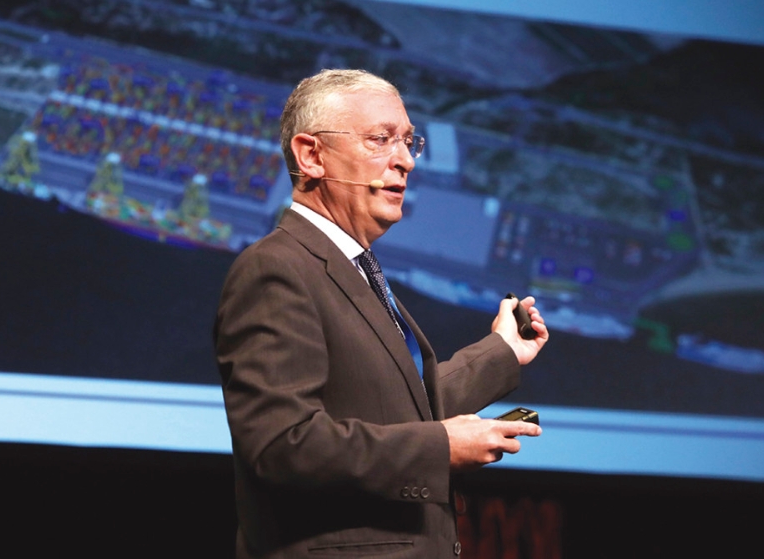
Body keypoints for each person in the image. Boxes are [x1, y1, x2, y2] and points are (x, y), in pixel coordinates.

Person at [214, 68, 549, 558]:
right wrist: (440, 448)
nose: (406, 161)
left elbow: (403, 407)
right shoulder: (277, 269)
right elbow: (282, 446)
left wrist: (502, 353)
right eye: (381, 140)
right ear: (312, 156)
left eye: (410, 141)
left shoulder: (352, 268)